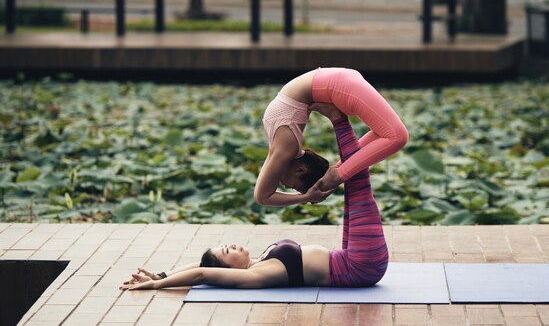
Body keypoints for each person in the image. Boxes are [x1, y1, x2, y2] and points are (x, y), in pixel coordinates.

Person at [120, 104, 389, 290]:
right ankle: (338, 119)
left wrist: (163, 274)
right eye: (227, 252)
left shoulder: (258, 261)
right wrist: (156, 285)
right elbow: (203, 273)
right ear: (228, 270)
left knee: (352, 176)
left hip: (347, 257)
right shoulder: (259, 274)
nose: (232, 245)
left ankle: (343, 121)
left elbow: (200, 265)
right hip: (359, 268)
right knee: (357, 182)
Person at [255, 67, 408, 207]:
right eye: (293, 187)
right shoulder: (285, 146)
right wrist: (308, 195)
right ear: (301, 170)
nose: (287, 186)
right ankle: (339, 169)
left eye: (294, 187)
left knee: (397, 136)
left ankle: (337, 173)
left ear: (300, 170)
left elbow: (262, 197)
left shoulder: (287, 148)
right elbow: (262, 195)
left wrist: (310, 195)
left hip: (336, 83)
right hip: (334, 82)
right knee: (390, 134)